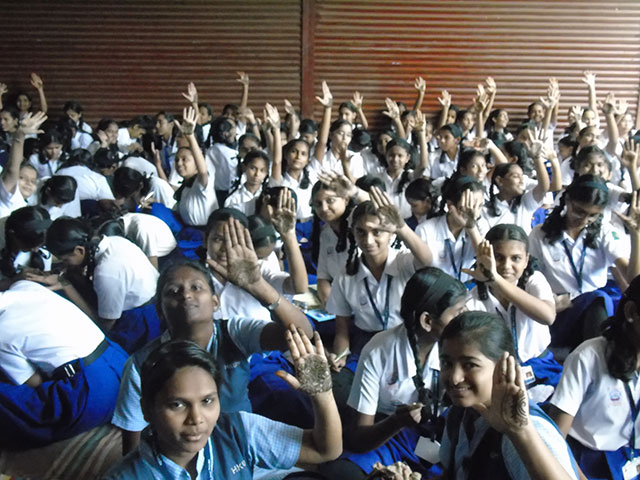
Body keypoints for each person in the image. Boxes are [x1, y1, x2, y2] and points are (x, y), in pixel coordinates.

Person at [112, 220, 313, 454]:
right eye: (173, 292)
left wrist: (257, 285)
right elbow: (132, 441)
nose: (186, 295)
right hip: (182, 454)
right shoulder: (142, 364)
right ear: (160, 311)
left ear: (215, 303)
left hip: (238, 445)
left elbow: (302, 333)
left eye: (196, 287)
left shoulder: (234, 332)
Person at [104, 332, 341, 479]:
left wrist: (323, 395)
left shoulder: (237, 431)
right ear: (147, 409)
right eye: (177, 405)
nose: (196, 418)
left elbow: (325, 450)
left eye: (207, 401)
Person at [320, 267, 467, 479]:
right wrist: (397, 422)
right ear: (427, 321)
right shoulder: (379, 350)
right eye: (458, 313)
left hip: (440, 435)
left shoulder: (461, 345)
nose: (464, 319)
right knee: (342, 472)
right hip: (390, 433)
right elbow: (359, 437)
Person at [438, 311, 579, 479]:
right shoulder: (460, 413)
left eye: (470, 364)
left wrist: (519, 432)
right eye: (447, 363)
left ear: (504, 367)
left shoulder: (526, 429)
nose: (455, 378)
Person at [0, 280, 128, 450]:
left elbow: (35, 382)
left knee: (11, 400)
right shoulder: (25, 286)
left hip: (94, 393)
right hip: (121, 366)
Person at [326, 186, 431, 371]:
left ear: (391, 234)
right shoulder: (346, 274)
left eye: (377, 232)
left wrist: (401, 228)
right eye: (361, 232)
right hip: (365, 344)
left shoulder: (403, 261)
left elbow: (427, 260)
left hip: (405, 340)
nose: (368, 240)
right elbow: (342, 328)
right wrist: (340, 355)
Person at [528, 175, 640, 350]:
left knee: (600, 300)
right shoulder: (539, 235)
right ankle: (600, 358)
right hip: (559, 310)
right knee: (598, 299)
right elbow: (531, 278)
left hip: (596, 309)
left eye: (593, 216)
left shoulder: (604, 232)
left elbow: (633, 279)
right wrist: (548, 300)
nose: (584, 220)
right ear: (567, 200)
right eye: (579, 211)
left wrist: (636, 236)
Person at [549, 276, 640, 480]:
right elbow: (555, 442)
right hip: (587, 463)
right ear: (632, 312)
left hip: (631, 460)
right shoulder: (588, 357)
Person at [464, 224, 561, 402]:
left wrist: (495, 279)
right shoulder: (472, 298)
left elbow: (548, 316)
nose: (506, 266)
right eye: (498, 258)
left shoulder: (533, 280)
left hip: (539, 367)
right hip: (496, 374)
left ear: (526, 260)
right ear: (485, 258)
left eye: (515, 258)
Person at [44, 216, 161, 353]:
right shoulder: (115, 241)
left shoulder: (107, 271)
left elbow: (104, 326)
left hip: (140, 322)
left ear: (80, 250)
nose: (64, 265)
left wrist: (66, 286)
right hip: (155, 303)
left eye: (65, 260)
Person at [415, 175, 486, 283]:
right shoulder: (425, 230)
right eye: (468, 207)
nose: (475, 214)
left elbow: (485, 261)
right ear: (450, 206)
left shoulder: (481, 225)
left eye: (479, 206)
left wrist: (471, 227)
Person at [224, 150, 270, 216]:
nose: (257, 174)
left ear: (267, 173)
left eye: (262, 170)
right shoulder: (233, 199)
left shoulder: (267, 196)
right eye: (253, 168)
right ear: (244, 167)